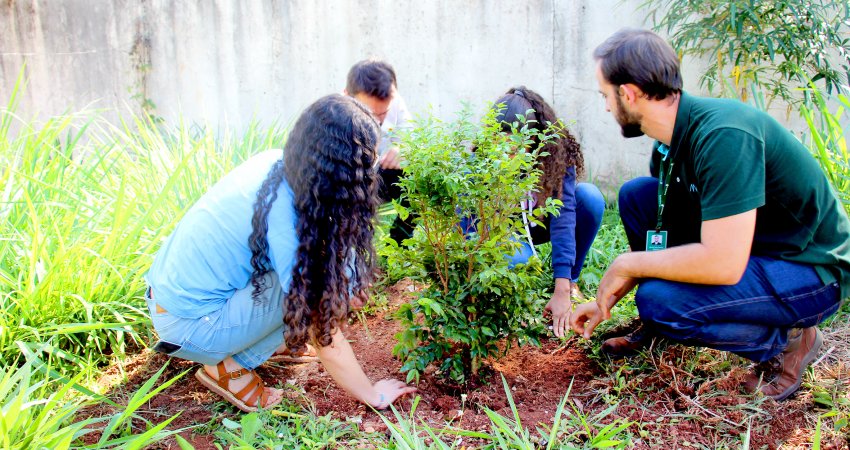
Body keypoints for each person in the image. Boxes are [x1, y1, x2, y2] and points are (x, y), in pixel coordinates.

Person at [570, 28, 850, 401]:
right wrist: (613, 294)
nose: (606, 106)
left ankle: (789, 342)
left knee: (660, 300)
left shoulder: (724, 135)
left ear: (629, 93)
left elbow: (723, 263)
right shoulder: (671, 142)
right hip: (755, 247)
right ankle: (658, 328)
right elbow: (668, 233)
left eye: (605, 94)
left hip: (810, 268)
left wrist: (628, 264)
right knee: (639, 198)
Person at [145, 94, 416, 412]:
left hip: (171, 302)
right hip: (190, 326)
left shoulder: (278, 164)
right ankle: (227, 368)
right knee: (310, 289)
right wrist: (373, 394)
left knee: (321, 274)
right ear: (339, 169)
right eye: (365, 162)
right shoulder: (285, 216)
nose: (371, 169)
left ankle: (243, 340)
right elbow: (322, 328)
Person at [493, 87, 606, 337]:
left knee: (589, 198)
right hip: (508, 233)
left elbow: (565, 219)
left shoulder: (554, 156)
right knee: (517, 259)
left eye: (517, 145)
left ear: (535, 138)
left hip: (543, 225)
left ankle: (572, 281)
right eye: (500, 143)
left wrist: (562, 287)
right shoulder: (486, 159)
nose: (508, 153)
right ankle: (513, 291)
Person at [344, 59, 415, 242]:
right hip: (348, 182)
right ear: (347, 97)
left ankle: (399, 247)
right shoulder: (335, 114)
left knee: (416, 180)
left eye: (383, 113)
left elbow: (412, 138)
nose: (378, 121)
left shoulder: (395, 101)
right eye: (370, 114)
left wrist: (403, 149)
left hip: (379, 174)